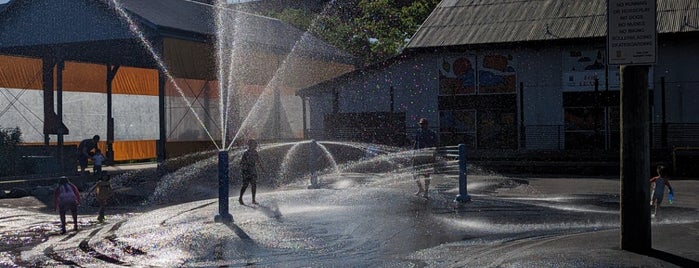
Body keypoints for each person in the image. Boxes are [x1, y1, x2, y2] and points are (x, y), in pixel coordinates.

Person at [413, 118, 439, 199]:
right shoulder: (418, 132)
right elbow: (416, 142)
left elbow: (435, 146)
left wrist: (433, 156)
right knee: (414, 174)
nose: (421, 126)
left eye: (423, 124)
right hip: (418, 155)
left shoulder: (432, 133)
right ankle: (420, 188)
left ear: (427, 125)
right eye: (420, 124)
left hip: (428, 155)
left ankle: (426, 192)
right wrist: (413, 153)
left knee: (426, 174)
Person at [239, 139, 265, 205]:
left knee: (254, 184)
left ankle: (253, 200)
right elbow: (241, 162)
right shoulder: (246, 153)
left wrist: (262, 169)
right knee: (245, 185)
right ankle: (240, 198)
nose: (255, 145)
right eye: (254, 144)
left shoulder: (255, 152)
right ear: (250, 145)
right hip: (246, 170)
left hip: (253, 170)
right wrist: (244, 168)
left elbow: (258, 161)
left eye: (255, 144)